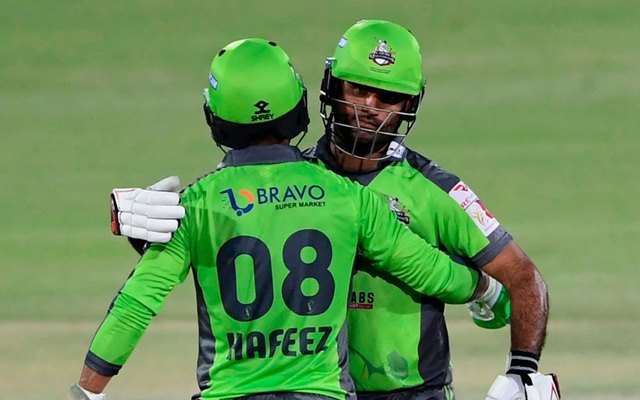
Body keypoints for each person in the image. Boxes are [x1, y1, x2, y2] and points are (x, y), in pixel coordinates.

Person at [111, 21, 560, 400]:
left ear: (409, 105)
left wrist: (522, 368)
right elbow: (215, 236)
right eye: (359, 88)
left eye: (387, 98)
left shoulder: (434, 190)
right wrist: (145, 230)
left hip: (416, 391)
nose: (368, 107)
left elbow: (522, 277)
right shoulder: (289, 179)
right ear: (332, 86)